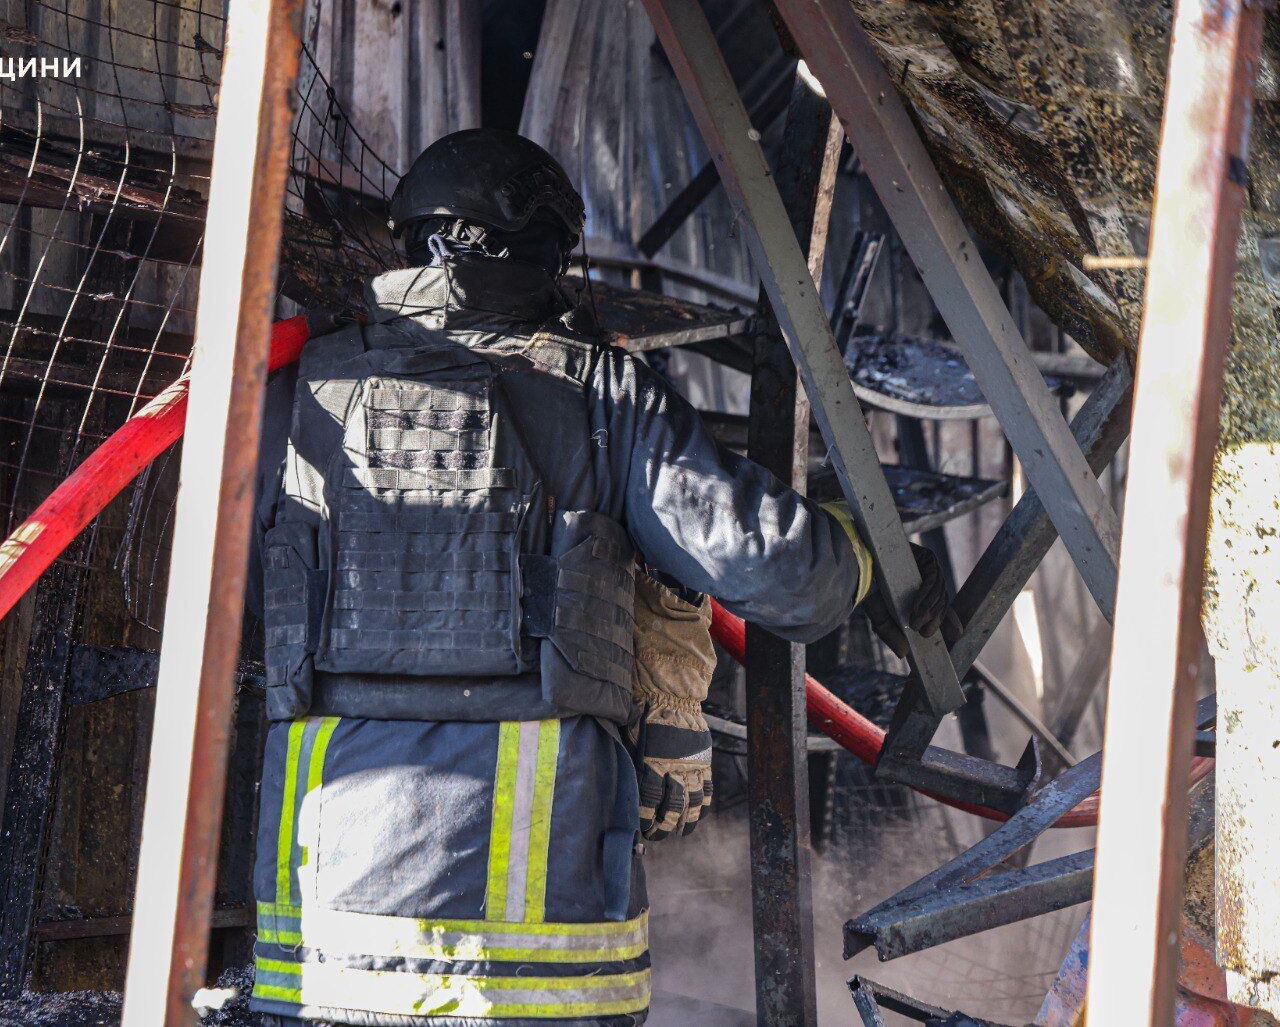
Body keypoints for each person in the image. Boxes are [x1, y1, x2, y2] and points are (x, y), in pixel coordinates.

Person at [247, 128, 950, 1026]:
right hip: (534, 958)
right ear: (547, 250)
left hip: (322, 946)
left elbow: (252, 598)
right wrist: (867, 555)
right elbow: (781, 571)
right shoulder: (601, 393)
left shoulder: (295, 393)